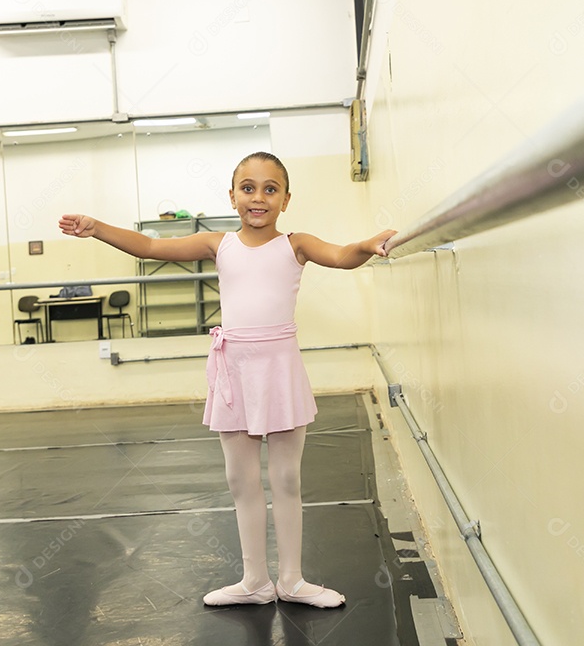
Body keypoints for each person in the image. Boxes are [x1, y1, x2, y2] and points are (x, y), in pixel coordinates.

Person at [59, 151, 395, 608]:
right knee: (241, 481)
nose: (259, 198)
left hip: (279, 370)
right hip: (234, 371)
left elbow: (339, 256)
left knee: (287, 479)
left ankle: (292, 580)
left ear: (286, 199)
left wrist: (368, 244)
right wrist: (97, 228)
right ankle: (255, 581)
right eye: (249, 188)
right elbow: (151, 247)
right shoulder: (218, 244)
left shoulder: (296, 244)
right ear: (233, 196)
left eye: (270, 189)